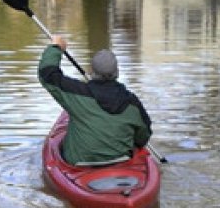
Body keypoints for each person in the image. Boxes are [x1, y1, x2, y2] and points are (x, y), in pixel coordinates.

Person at [37, 36, 152, 166]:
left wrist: (56, 47)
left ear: (92, 71)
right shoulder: (132, 103)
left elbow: (47, 74)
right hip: (121, 161)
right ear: (117, 72)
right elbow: (143, 137)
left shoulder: (76, 92)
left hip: (79, 163)